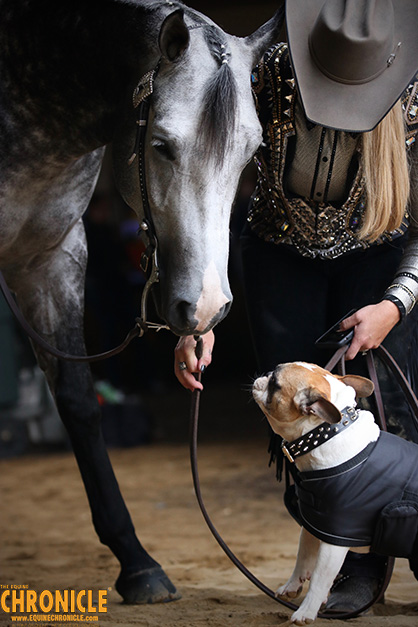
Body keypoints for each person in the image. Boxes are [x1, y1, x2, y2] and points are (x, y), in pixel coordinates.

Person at [174, 0, 418, 612]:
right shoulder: (267, 73)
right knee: (295, 409)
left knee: (385, 409)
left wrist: (394, 303)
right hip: (278, 255)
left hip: (379, 259)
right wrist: (200, 311)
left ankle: (368, 564)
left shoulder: (414, 99)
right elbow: (205, 190)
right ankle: (336, 549)